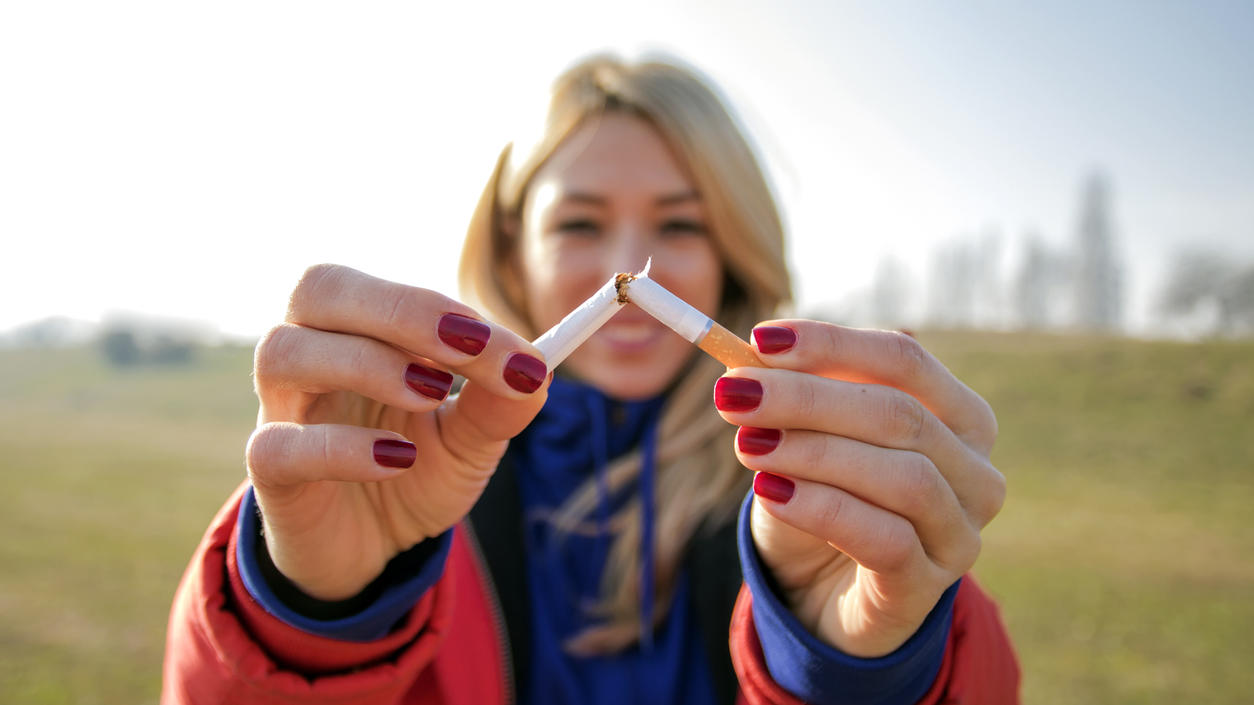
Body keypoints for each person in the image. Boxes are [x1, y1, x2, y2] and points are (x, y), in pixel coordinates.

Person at [162, 54, 1019, 705]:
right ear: (510, 250)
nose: (627, 273)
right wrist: (310, 608)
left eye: (680, 224)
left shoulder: (823, 484)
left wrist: (858, 655)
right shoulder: (404, 465)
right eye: (579, 222)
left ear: (734, 254)